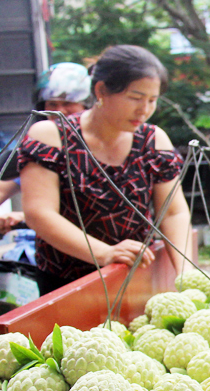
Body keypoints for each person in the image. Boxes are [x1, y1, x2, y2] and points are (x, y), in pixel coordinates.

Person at [18, 45, 192, 296]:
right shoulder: (52, 136)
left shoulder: (153, 140)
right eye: (135, 98)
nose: (144, 109)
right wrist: (104, 253)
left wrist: (185, 273)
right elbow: (39, 213)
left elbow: (173, 213)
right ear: (101, 90)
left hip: (133, 276)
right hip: (67, 286)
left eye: (152, 100)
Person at [0, 62, 92, 234]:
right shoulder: (38, 150)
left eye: (68, 103)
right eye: (52, 104)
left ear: (87, 107)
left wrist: (27, 216)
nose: (59, 111)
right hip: (37, 249)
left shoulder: (100, 149)